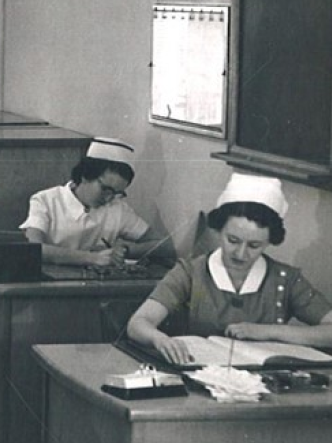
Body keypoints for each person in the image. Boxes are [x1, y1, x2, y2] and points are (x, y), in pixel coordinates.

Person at [127, 172, 332, 365]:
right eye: (233, 240)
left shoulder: (285, 279)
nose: (241, 254)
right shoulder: (191, 272)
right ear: (219, 231)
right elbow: (138, 322)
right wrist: (159, 339)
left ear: (269, 242)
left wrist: (269, 331)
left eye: (254, 246)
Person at [21, 137, 170, 266]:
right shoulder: (46, 200)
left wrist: (128, 249)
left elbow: (165, 246)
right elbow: (35, 249)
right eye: (106, 189)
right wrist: (92, 258)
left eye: (117, 193)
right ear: (86, 175)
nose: (109, 198)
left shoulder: (117, 209)